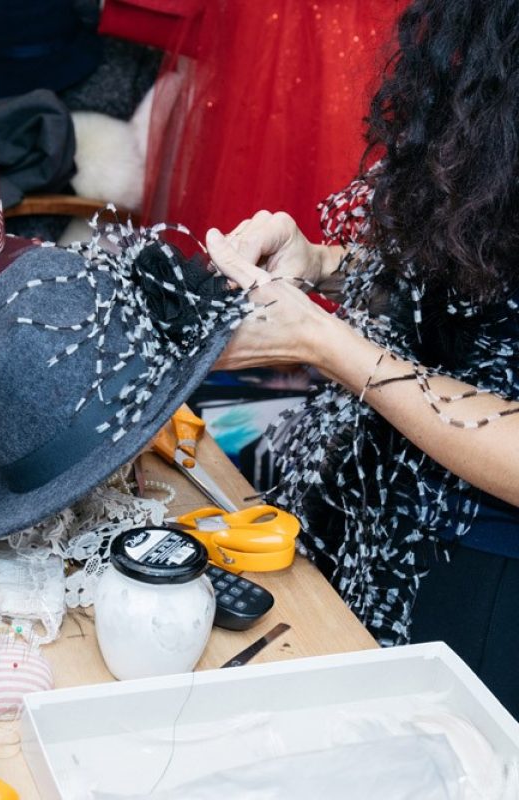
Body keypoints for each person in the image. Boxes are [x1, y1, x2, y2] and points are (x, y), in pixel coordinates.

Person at [205, 0, 519, 719]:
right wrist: (320, 264)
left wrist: (331, 346)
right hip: (381, 506)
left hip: (483, 582)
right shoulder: (491, 92)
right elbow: (477, 276)